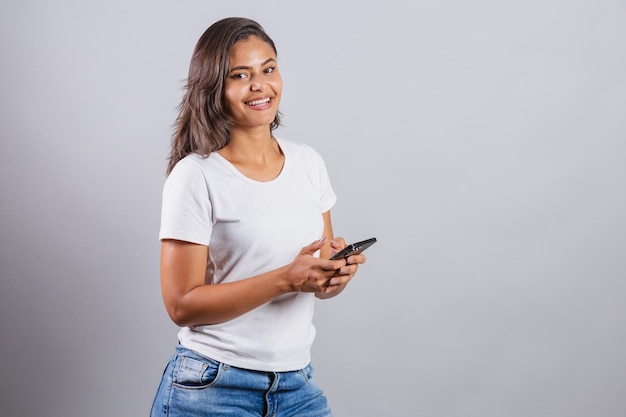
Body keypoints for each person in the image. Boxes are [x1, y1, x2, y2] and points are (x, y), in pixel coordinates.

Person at [150, 17, 367, 417]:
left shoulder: (308, 163)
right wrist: (287, 277)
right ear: (215, 89)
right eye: (240, 75)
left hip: (296, 383)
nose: (260, 85)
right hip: (213, 387)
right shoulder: (195, 176)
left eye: (268, 69)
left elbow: (314, 278)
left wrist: (331, 276)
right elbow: (181, 304)